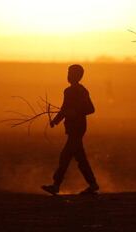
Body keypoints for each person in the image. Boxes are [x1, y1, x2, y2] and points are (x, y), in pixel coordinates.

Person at [42, 64, 99, 195]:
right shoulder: (68, 91)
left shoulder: (81, 91)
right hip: (73, 129)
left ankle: (56, 185)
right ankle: (93, 184)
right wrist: (56, 121)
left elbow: (91, 109)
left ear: (77, 76)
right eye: (68, 73)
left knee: (65, 157)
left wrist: (75, 112)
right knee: (79, 159)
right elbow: (64, 109)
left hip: (77, 129)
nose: (68, 76)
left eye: (71, 73)